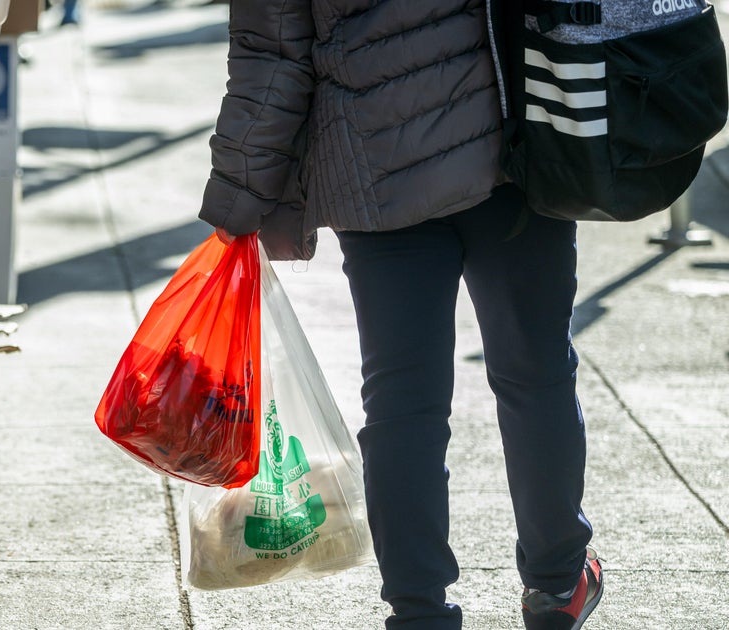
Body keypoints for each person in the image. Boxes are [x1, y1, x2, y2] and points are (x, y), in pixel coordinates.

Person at [198, 1, 603, 629]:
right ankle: (556, 586)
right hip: (513, 153)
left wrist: (237, 200)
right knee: (537, 375)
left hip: (373, 171)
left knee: (402, 407)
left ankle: (420, 613)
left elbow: (271, 55)